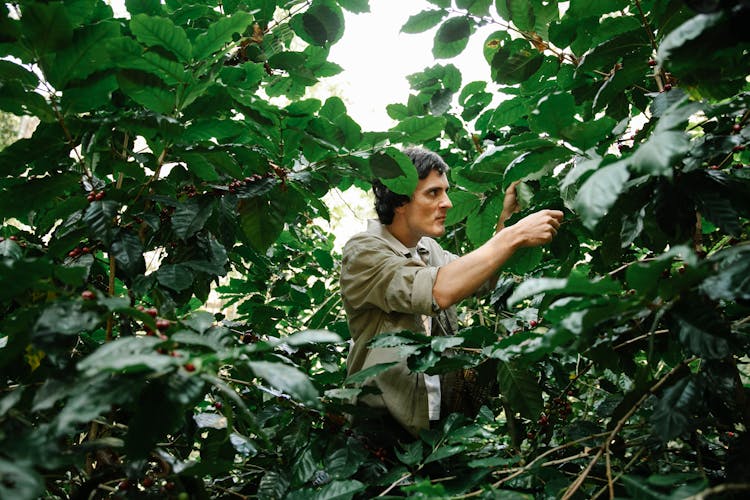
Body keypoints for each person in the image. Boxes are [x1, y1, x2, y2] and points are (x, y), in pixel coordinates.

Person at [339, 147, 563, 440]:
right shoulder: (364, 251)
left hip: (433, 421)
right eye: (433, 193)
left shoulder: (426, 249)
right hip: (379, 425)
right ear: (400, 199)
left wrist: (506, 218)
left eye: (446, 192)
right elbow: (438, 290)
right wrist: (513, 235)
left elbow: (476, 279)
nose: (446, 202)